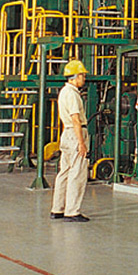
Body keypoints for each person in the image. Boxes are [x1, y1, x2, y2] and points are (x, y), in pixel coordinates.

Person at [50, 59, 90, 223]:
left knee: (64, 172)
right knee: (77, 173)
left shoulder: (63, 92)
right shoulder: (73, 94)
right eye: (82, 76)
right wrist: (81, 143)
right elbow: (75, 119)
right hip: (75, 134)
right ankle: (72, 211)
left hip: (66, 134)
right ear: (75, 76)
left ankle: (57, 209)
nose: (84, 79)